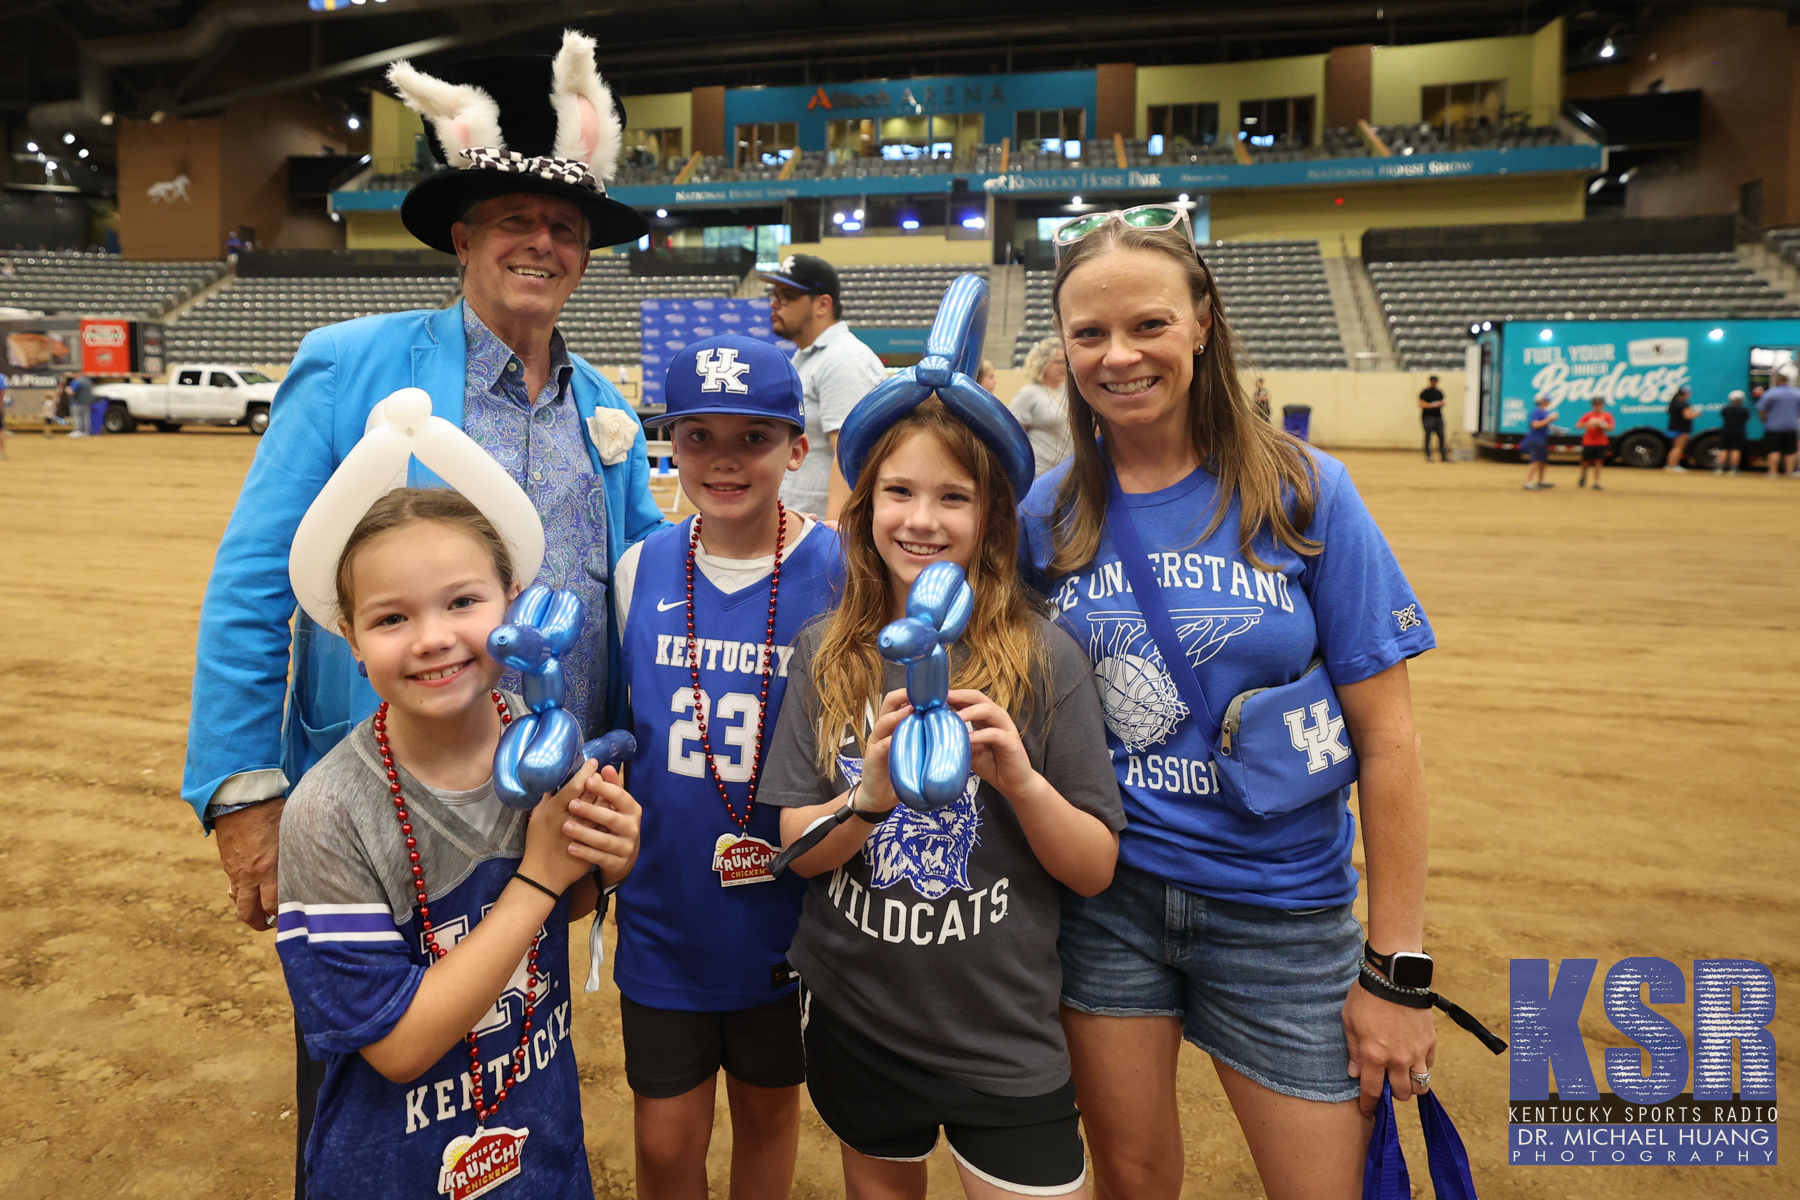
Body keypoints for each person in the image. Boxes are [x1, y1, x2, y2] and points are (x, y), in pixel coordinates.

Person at [179, 35, 658, 1198]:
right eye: (512, 221)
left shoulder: (610, 416)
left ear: (585, 258)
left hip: (541, 807)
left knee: (513, 1060)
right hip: (384, 805)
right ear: (462, 238)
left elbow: (639, 606)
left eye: (565, 230)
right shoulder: (348, 366)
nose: (540, 243)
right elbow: (253, 582)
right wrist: (244, 792)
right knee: (382, 1088)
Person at [1018, 206, 1438, 1199]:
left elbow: (1389, 740)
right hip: (1107, 908)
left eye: (1149, 324)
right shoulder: (1049, 514)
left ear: (1202, 321)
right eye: (1090, 334)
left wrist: (1397, 968)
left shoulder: (1304, 492)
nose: (1119, 355)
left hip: (1283, 912)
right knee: (1131, 1178)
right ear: (1064, 346)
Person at [762, 393, 1125, 1199]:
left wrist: (1023, 784)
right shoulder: (826, 655)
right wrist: (870, 798)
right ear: (864, 505)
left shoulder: (1043, 657)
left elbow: (1095, 867)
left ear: (992, 516)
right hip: (859, 1017)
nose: (921, 520)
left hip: (1002, 1032)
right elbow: (798, 849)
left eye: (953, 497)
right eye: (898, 491)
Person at [279, 482, 643, 1199]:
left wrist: (606, 865)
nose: (433, 637)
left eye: (463, 602)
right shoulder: (331, 812)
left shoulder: (541, 744)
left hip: (541, 1151)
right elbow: (399, 1046)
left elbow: (550, 916)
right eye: (390, 617)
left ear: (512, 602)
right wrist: (540, 875)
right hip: (394, 1172)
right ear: (349, 639)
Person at [610, 335, 841, 1200]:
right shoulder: (643, 568)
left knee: (769, 1118)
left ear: (797, 448)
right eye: (697, 436)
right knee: (666, 1143)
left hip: (787, 917)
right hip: (668, 912)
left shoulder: (842, 570)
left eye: (754, 437)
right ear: (669, 443)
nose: (724, 460)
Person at [762, 253, 887, 519]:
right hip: (799, 529)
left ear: (822, 304)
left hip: (821, 534)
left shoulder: (845, 359)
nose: (775, 304)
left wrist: (832, 536)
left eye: (788, 296)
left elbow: (853, 454)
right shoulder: (807, 357)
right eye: (775, 295)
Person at [1009, 335, 1072, 477]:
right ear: (1043, 363)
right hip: (1039, 472)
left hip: (1067, 472)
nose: (1064, 367)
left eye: (1065, 362)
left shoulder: (1068, 393)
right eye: (1058, 362)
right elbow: (1013, 438)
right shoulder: (1029, 393)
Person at [1756, 364, 1800, 477]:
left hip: (1773, 427)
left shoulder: (1770, 393)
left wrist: (1764, 420)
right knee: (1790, 451)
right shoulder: (1797, 393)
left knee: (1774, 450)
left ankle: (1772, 472)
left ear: (1777, 381)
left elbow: (1761, 410)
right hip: (1791, 426)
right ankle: (1789, 472)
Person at [1577, 396, 1615, 490]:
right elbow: (1578, 425)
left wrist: (1602, 425)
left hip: (1601, 442)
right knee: (1586, 462)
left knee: (1598, 462)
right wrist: (1588, 423)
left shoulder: (1607, 416)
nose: (1598, 407)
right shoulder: (1588, 415)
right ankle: (1583, 475)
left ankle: (1597, 482)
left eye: (1600, 405)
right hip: (1589, 442)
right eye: (1596, 405)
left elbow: (1611, 428)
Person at [1521, 393, 1555, 490]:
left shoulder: (1543, 412)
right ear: (1542, 401)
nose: (1549, 402)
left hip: (1541, 439)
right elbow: (1535, 425)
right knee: (1535, 461)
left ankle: (1541, 481)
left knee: (1543, 461)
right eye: (1548, 400)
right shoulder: (1536, 412)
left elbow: (1544, 424)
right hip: (1535, 439)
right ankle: (1528, 482)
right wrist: (1549, 419)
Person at [1664, 384, 1698, 472]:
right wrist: (1696, 414)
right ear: (1686, 394)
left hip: (1673, 427)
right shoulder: (1683, 404)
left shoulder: (1673, 403)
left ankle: (1669, 464)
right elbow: (1687, 416)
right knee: (1679, 447)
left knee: (1674, 447)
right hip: (1682, 429)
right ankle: (1674, 465)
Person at [1717, 390, 1750, 475]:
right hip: (1739, 432)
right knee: (1736, 450)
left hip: (1726, 431)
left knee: (1723, 449)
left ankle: (1719, 469)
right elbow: (1746, 419)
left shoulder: (1726, 409)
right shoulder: (1744, 410)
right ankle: (1734, 470)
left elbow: (1723, 416)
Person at [1418, 374, 1447, 462]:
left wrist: (1437, 404)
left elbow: (1443, 402)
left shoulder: (1439, 392)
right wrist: (1433, 405)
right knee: (1428, 436)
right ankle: (1428, 455)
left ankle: (1443, 455)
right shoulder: (1424, 392)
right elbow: (1421, 404)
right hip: (1427, 417)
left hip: (1438, 417)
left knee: (1441, 436)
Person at [65, 372, 92, 439]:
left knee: (76, 416)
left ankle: (78, 431)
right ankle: (86, 432)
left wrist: (67, 389)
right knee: (85, 417)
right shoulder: (88, 381)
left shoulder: (76, 381)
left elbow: (71, 392)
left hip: (77, 403)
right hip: (86, 403)